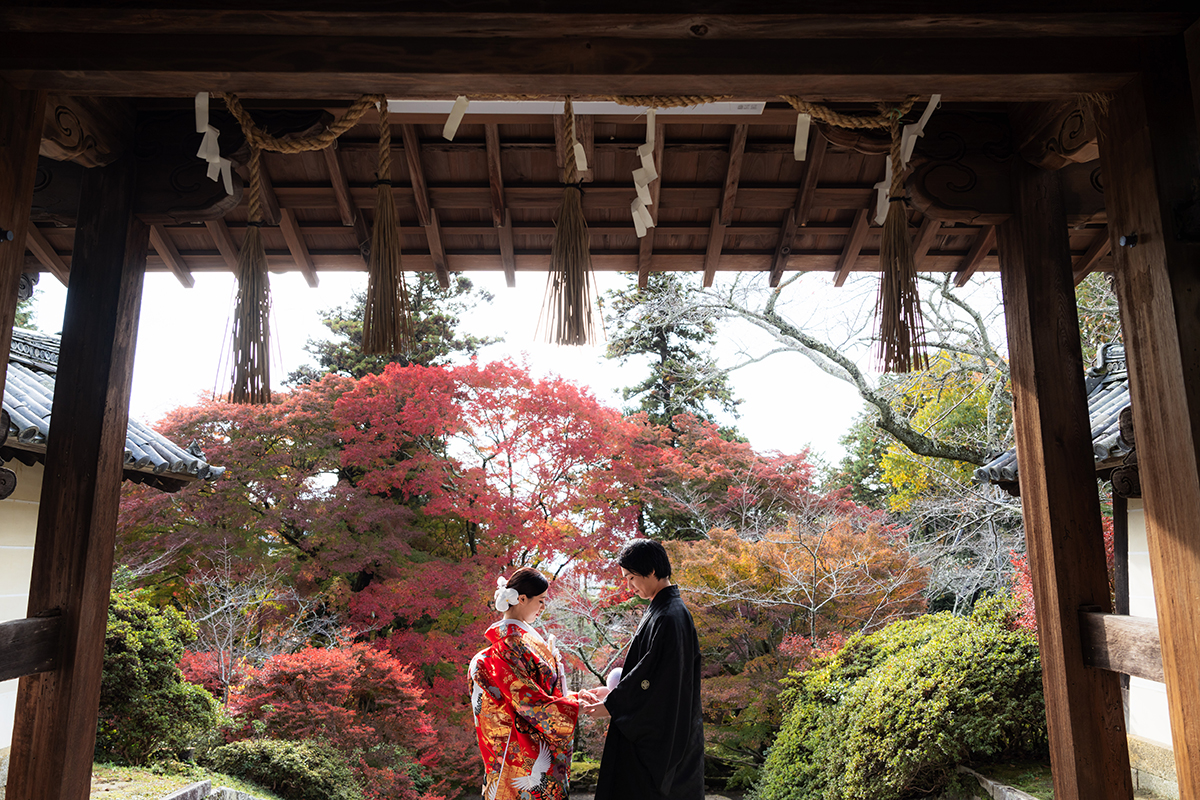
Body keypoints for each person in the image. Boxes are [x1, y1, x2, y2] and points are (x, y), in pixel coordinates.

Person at [582, 539, 704, 800]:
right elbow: (648, 672)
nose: (628, 586)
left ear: (650, 571)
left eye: (631, 577)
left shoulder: (670, 615)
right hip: (666, 732)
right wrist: (612, 693)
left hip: (663, 741)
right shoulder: (664, 610)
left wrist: (615, 705)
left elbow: (659, 682)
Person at [469, 566, 589, 800]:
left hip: (532, 743)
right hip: (522, 747)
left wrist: (574, 696)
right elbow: (527, 701)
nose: (544, 607)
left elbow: (543, 692)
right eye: (541, 601)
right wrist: (573, 705)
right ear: (522, 599)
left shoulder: (520, 642)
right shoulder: (509, 646)